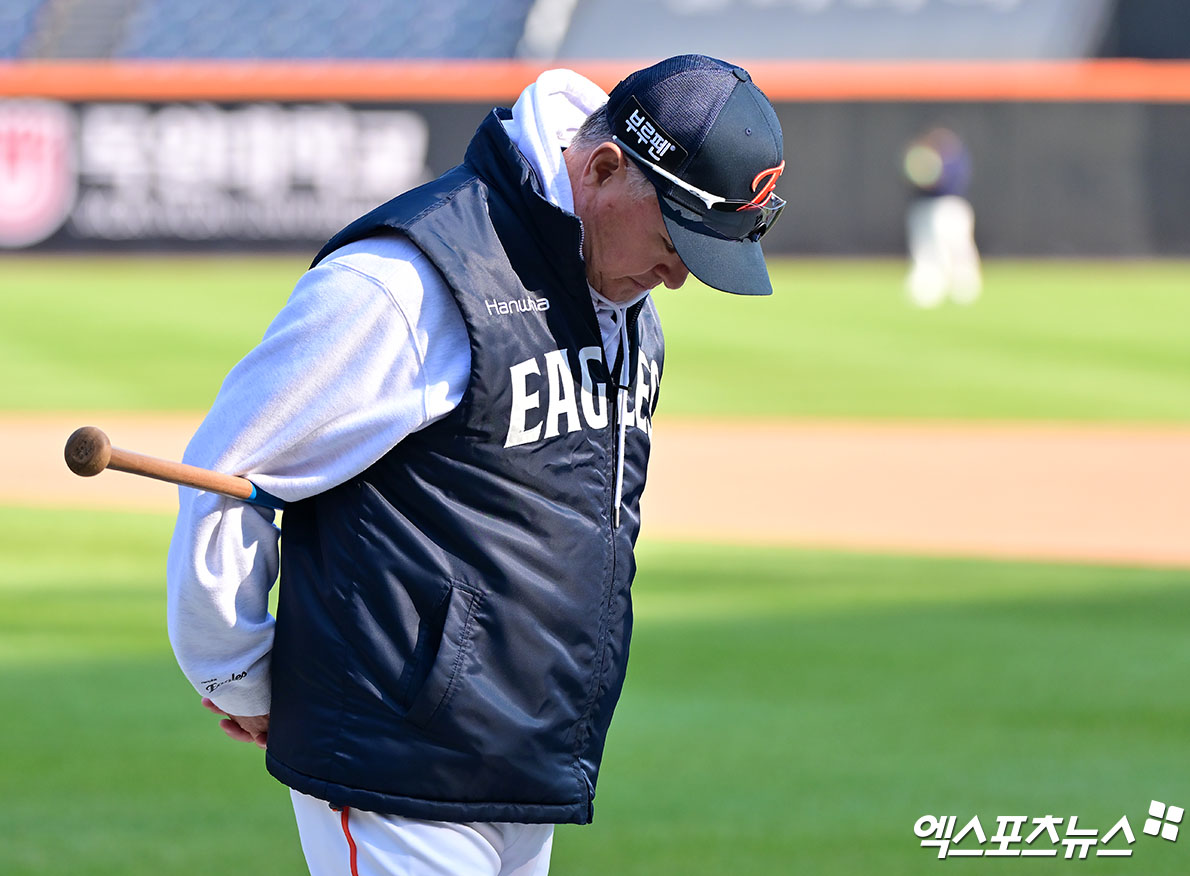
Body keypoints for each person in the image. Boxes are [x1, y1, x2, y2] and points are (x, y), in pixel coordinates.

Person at [166, 54, 786, 876]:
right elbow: (235, 472)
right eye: (677, 241)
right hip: (396, 765)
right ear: (601, 168)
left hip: (522, 761)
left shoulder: (627, 308)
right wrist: (237, 670)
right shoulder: (409, 282)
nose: (677, 277)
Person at [902, 126, 982, 308]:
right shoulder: (924, 155)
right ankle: (927, 288)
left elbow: (942, 182)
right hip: (927, 206)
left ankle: (965, 288)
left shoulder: (954, 161)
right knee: (927, 250)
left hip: (950, 206)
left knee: (959, 248)